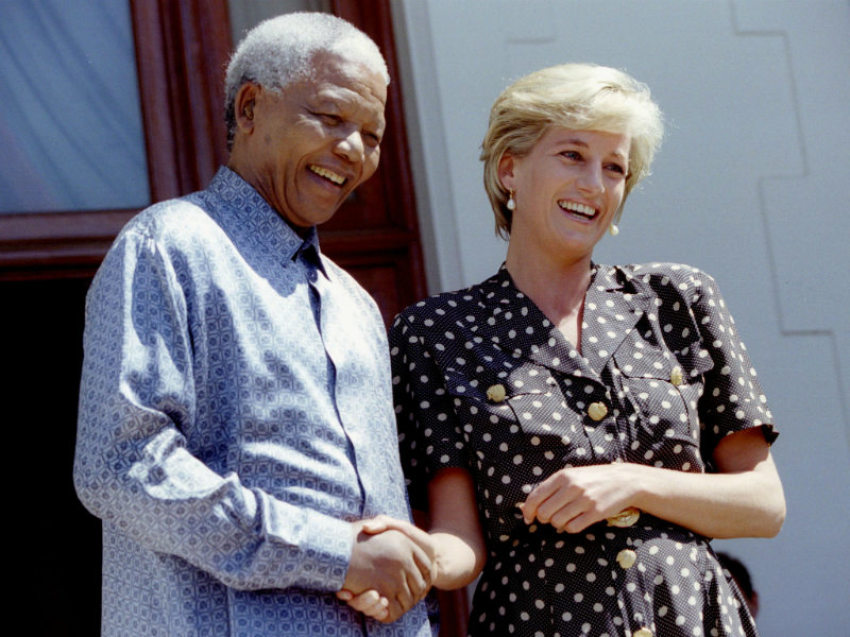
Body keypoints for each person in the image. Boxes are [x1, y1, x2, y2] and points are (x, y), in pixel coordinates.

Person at [342, 63, 786, 636]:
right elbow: (460, 539)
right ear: (509, 169)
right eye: (572, 155)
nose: (594, 185)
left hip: (691, 618)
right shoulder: (433, 333)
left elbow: (763, 504)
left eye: (614, 167)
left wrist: (632, 482)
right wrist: (409, 561)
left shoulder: (680, 299)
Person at [73, 12, 433, 637]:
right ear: (249, 109)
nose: (353, 149)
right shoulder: (169, 246)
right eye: (331, 117)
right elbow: (122, 464)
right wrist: (335, 553)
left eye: (372, 135)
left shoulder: (355, 304)